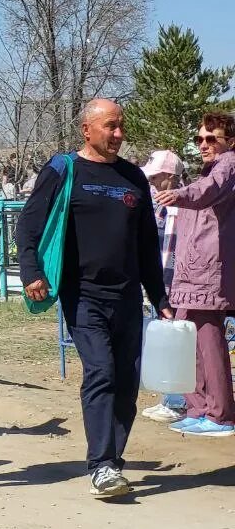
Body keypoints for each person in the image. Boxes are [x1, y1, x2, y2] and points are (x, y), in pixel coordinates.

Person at [14, 98, 167, 498]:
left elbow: (148, 244)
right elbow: (28, 224)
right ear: (87, 129)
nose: (118, 134)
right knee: (100, 370)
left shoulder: (133, 177)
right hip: (82, 294)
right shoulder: (63, 170)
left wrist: (159, 295)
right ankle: (100, 464)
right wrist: (31, 272)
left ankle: (113, 460)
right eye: (110, 127)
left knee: (126, 379)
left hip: (128, 297)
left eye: (121, 126)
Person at [155, 113, 235, 436]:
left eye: (210, 138)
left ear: (229, 141)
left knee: (208, 339)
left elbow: (206, 190)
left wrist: (180, 195)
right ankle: (197, 406)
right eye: (199, 139)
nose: (203, 144)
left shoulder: (228, 165)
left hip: (208, 272)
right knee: (187, 341)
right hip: (189, 274)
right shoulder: (210, 169)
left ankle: (220, 415)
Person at [140, 149, 187, 423]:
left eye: (157, 177)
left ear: (170, 176)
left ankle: (177, 401)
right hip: (162, 282)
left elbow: (171, 249)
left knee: (176, 343)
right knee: (167, 342)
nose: (153, 182)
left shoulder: (179, 205)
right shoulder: (160, 205)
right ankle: (171, 398)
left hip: (175, 282)